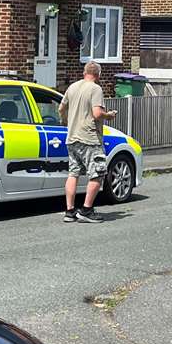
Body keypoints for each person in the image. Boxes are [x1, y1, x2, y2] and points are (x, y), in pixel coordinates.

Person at [62, 61, 113, 223]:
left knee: (73, 173)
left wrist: (66, 122)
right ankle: (86, 210)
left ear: (84, 72)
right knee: (98, 173)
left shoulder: (73, 87)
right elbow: (97, 113)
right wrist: (108, 115)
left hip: (72, 137)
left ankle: (69, 211)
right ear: (98, 75)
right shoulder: (95, 89)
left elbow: (61, 108)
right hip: (89, 138)